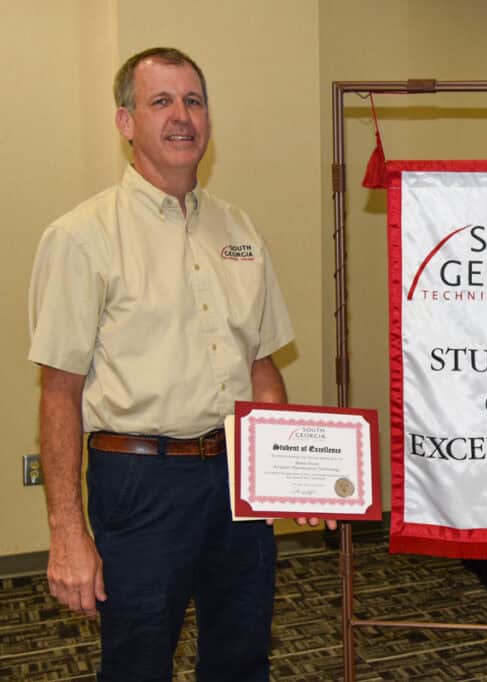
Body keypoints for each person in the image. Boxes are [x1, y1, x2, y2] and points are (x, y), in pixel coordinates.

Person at [28, 47, 325, 681]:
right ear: (126, 122)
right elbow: (59, 392)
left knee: (242, 656)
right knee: (138, 662)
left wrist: (290, 471)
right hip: (139, 485)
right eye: (160, 101)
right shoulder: (83, 236)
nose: (181, 116)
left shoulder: (238, 229)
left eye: (193, 100)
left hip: (239, 486)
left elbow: (262, 367)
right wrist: (66, 532)